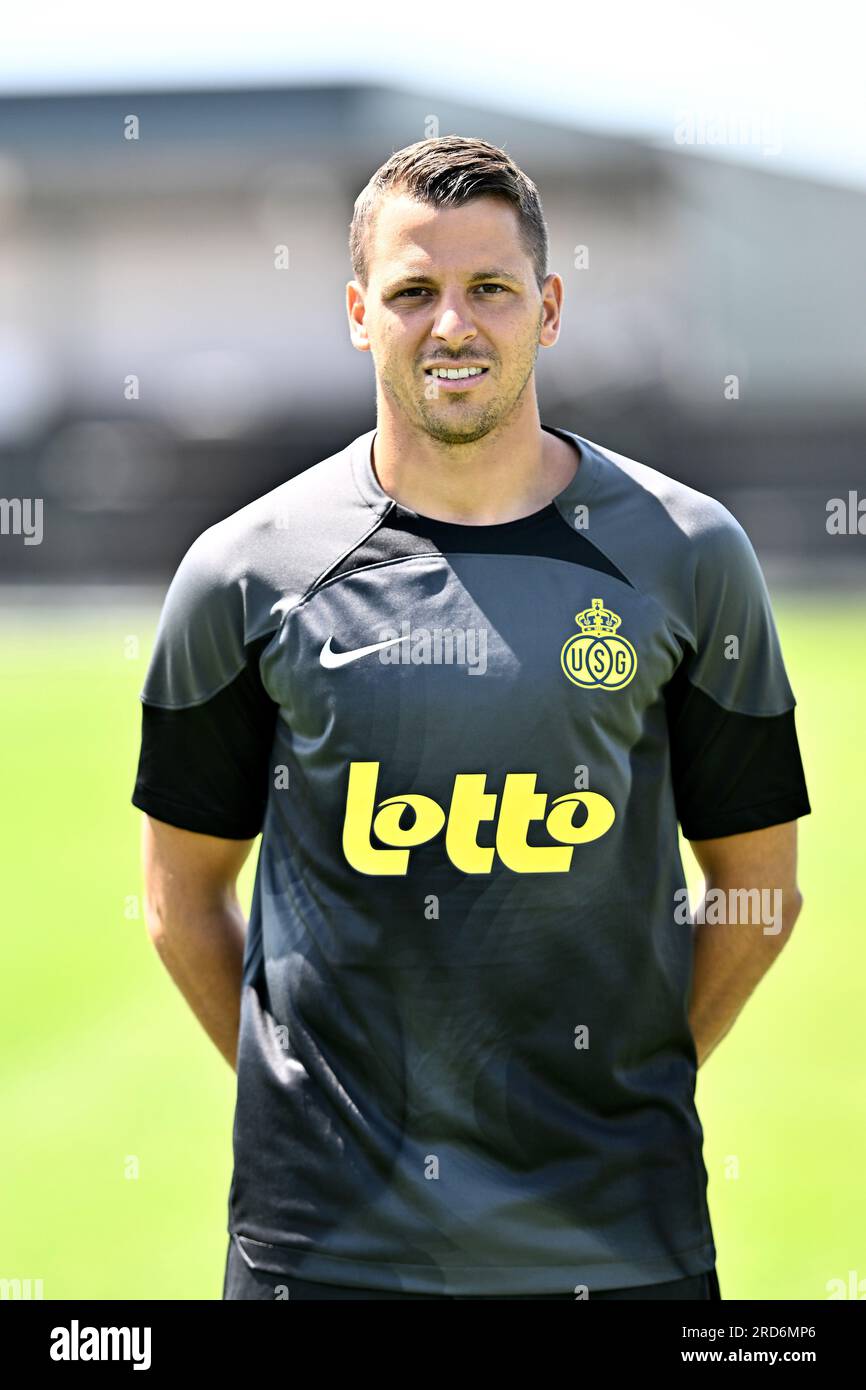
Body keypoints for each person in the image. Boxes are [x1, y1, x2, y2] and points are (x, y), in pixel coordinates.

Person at [132, 135, 810, 1301]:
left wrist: (619, 1091)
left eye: (489, 288)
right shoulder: (243, 570)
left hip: (617, 1244)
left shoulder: (688, 556)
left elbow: (757, 892)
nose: (452, 324)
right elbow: (180, 896)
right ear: (359, 312)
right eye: (412, 291)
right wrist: (314, 1114)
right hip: (320, 1253)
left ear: (546, 308)